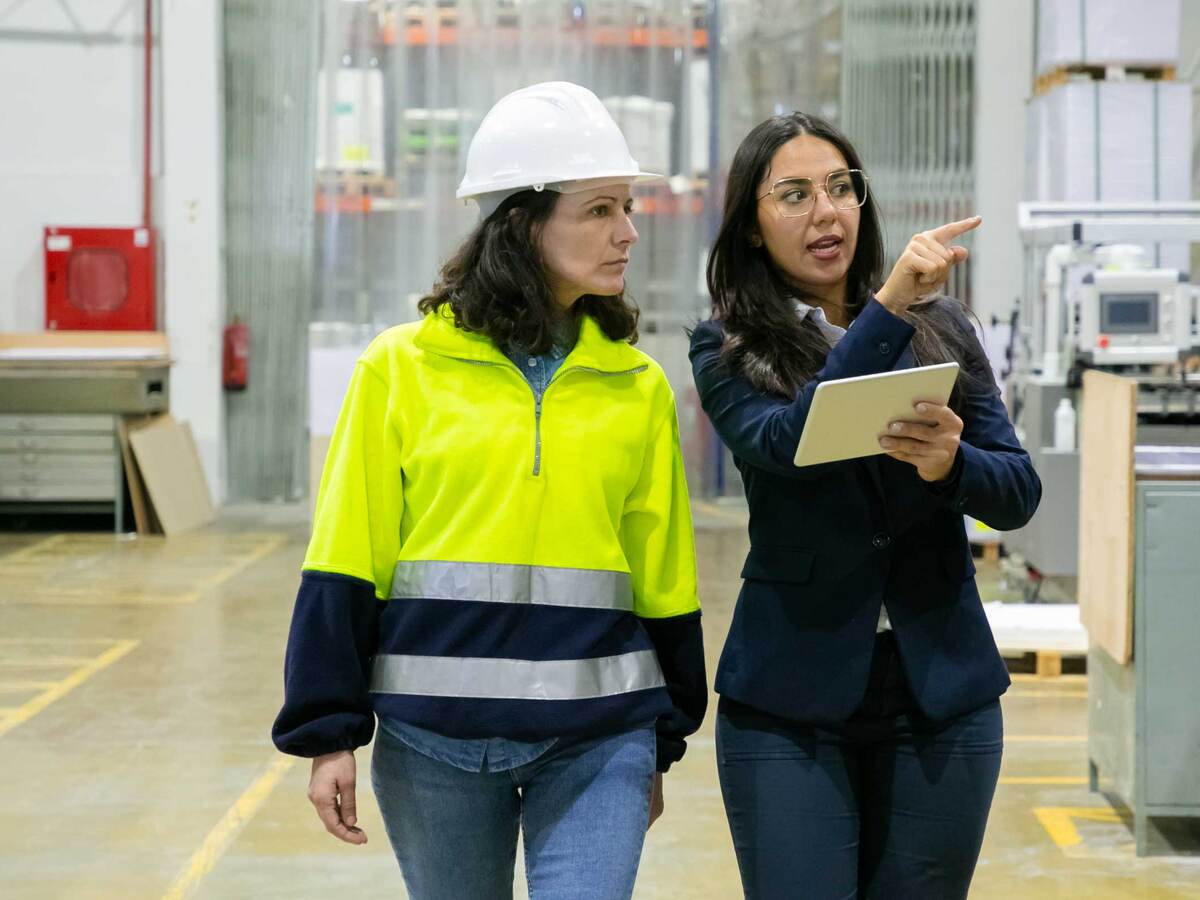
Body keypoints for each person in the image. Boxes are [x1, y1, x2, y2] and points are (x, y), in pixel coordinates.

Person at [272, 81, 707, 900]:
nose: (629, 232)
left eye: (628, 207)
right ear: (522, 223)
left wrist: (662, 736)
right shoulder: (398, 370)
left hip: (599, 739)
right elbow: (346, 553)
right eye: (601, 210)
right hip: (432, 740)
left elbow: (663, 570)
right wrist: (329, 733)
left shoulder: (639, 385)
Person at [689, 111, 1041, 899]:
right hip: (791, 702)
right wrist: (885, 310)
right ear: (750, 226)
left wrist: (952, 465)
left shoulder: (942, 327)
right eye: (794, 194)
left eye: (842, 187)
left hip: (940, 694)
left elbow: (1017, 492)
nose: (827, 211)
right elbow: (789, 443)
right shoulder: (727, 346)